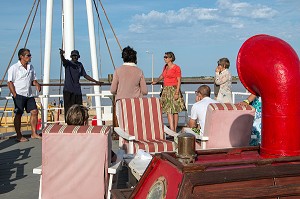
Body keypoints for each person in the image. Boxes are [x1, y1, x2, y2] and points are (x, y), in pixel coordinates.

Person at [7, 48, 42, 142]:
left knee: (34, 111)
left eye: (30, 55)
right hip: (19, 94)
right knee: (18, 114)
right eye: (28, 55)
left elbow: (33, 80)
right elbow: (10, 82)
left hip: (29, 94)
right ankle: (19, 135)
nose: (30, 57)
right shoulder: (14, 68)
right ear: (21, 57)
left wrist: (37, 84)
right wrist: (14, 94)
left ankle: (34, 133)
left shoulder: (31, 67)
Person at [59, 49, 102, 121]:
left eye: (76, 56)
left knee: (79, 109)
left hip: (77, 91)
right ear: (71, 56)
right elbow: (63, 60)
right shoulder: (68, 64)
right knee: (68, 109)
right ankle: (68, 124)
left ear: (78, 57)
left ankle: (78, 122)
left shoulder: (80, 65)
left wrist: (96, 81)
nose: (74, 57)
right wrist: (61, 55)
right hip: (68, 91)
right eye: (73, 56)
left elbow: (85, 75)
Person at [110, 46, 148, 121]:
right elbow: (144, 91)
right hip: (136, 103)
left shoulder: (118, 71)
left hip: (121, 103)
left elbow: (113, 90)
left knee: (122, 123)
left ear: (123, 58)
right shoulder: (139, 71)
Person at [152, 52, 186, 132]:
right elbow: (162, 76)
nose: (164, 58)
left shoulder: (176, 68)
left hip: (174, 89)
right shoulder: (165, 67)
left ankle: (174, 129)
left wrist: (177, 93)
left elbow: (178, 80)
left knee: (175, 110)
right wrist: (156, 81)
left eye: (166, 57)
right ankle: (172, 129)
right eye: (164, 57)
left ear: (171, 58)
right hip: (166, 90)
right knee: (168, 110)